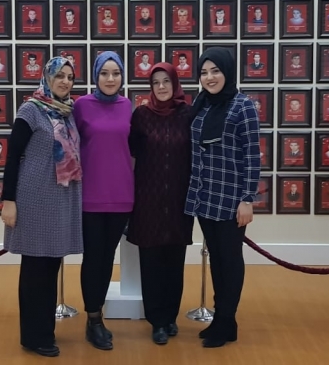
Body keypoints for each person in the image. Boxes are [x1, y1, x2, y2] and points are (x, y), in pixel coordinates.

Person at [0, 56, 83, 358]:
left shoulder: (68, 112)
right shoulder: (31, 110)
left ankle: (45, 331)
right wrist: (8, 201)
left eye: (70, 77)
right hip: (34, 199)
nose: (65, 82)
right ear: (47, 77)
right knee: (35, 270)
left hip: (60, 199)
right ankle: (34, 337)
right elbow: (12, 157)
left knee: (51, 267)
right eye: (59, 76)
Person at [185, 47, 259, 348]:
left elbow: (252, 155)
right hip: (205, 195)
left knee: (230, 259)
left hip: (231, 198)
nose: (209, 77)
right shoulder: (200, 105)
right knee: (216, 258)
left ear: (227, 72)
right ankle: (222, 319)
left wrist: (247, 198)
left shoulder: (243, 106)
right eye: (204, 72)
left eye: (215, 71)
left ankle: (227, 319)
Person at [127, 62, 195, 345]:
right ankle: (157, 321)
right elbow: (131, 154)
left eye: (166, 81)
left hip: (179, 202)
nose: (162, 87)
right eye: (156, 82)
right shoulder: (141, 116)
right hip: (148, 201)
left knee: (175, 263)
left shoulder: (188, 115)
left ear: (175, 83)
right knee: (151, 263)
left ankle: (171, 317)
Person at [72, 51, 134, 351]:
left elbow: (132, 150)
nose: (111, 79)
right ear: (95, 76)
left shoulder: (127, 106)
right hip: (90, 197)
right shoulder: (81, 106)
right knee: (93, 259)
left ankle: (97, 315)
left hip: (122, 195)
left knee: (108, 258)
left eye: (116, 73)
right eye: (105, 73)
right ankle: (93, 319)